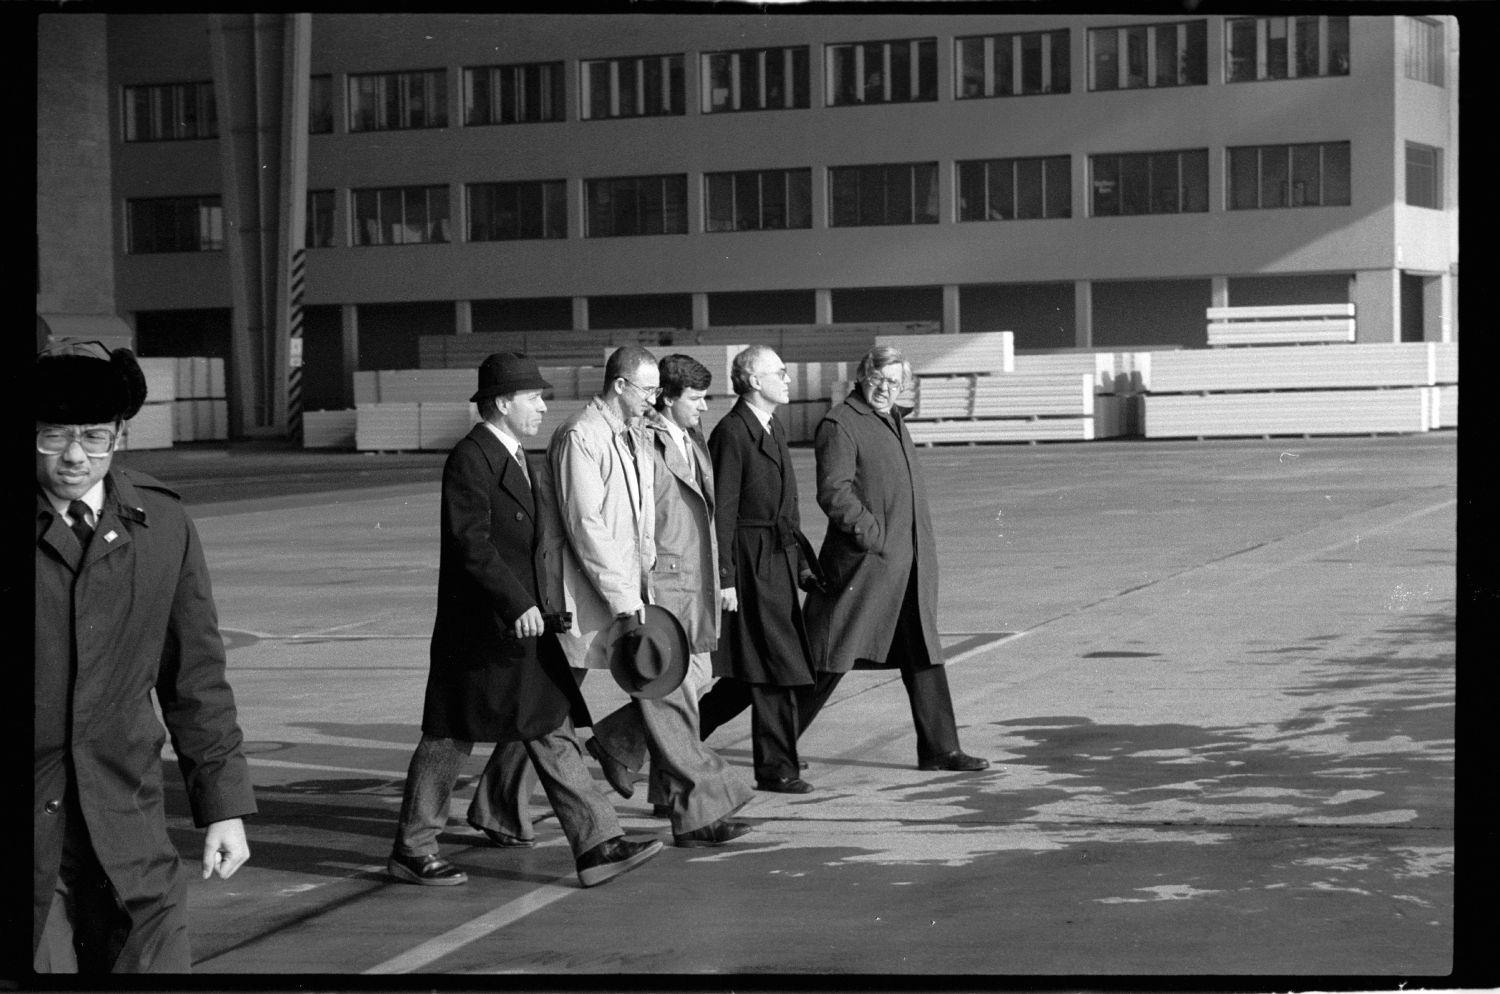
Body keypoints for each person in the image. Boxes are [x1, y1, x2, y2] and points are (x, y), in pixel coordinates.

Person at [387, 352, 661, 889]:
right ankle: (413, 848)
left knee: (548, 725)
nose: (542, 406)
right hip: (482, 632)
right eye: (533, 397)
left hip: (521, 628)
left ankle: (598, 842)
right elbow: (473, 546)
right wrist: (518, 605)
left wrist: (548, 609)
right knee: (448, 736)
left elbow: (534, 547)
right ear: (503, 403)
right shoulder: (472, 459)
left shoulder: (516, 456)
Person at [34, 342, 256, 973]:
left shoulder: (160, 524)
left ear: (121, 435)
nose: (75, 456)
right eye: (53, 437)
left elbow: (195, 677)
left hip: (127, 817)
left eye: (94, 437)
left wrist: (223, 808)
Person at [534, 345, 752, 848]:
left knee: (554, 708)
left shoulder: (628, 434)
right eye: (649, 390)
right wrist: (626, 599)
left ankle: (502, 806)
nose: (655, 400)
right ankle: (687, 797)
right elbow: (587, 526)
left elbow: (642, 524)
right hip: (595, 597)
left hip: (630, 592)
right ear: (620, 386)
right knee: (546, 707)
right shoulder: (580, 436)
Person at [800, 346, 991, 772]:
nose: (886, 390)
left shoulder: (893, 420)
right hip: (866, 566)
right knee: (831, 657)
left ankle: (941, 749)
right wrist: (872, 534)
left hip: (908, 566)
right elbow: (834, 491)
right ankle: (776, 746)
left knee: (923, 651)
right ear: (861, 375)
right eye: (879, 380)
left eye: (894, 383)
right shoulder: (841, 423)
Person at [704, 345, 823, 794]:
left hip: (773, 562)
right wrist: (727, 578)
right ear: (753, 381)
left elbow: (785, 510)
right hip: (749, 568)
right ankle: (776, 768)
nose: (789, 379)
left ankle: (640, 744)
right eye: (780, 372)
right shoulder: (733, 433)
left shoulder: (770, 426)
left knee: (744, 679)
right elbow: (722, 513)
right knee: (773, 668)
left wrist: (800, 567)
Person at [633, 356, 746, 820]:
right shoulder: (645, 441)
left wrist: (721, 579)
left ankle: (635, 765)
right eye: (695, 399)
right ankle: (688, 802)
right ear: (667, 397)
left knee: (688, 689)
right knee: (677, 693)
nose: (703, 408)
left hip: (697, 584)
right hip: (666, 587)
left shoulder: (692, 436)